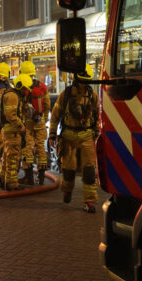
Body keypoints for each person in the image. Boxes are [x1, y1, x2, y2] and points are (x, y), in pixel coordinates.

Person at [48, 64, 99, 211]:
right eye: (81, 81)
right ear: (76, 79)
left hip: (87, 136)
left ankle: (90, 202)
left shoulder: (92, 95)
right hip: (69, 137)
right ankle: (67, 191)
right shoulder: (66, 95)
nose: (84, 84)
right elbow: (55, 116)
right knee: (68, 169)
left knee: (89, 170)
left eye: (86, 81)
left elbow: (97, 115)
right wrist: (52, 134)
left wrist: (97, 133)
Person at [20, 61, 51, 186]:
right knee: (40, 148)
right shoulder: (42, 86)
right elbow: (47, 104)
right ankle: (42, 178)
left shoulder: (23, 88)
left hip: (27, 123)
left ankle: (29, 178)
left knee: (27, 148)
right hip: (40, 121)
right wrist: (43, 117)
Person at [0, 73, 32, 191]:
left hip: (9, 130)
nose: (26, 92)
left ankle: (3, 179)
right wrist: (21, 126)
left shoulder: (12, 94)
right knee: (13, 157)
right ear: (21, 86)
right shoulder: (13, 96)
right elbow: (11, 115)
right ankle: (12, 183)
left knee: (7, 156)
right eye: (25, 89)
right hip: (12, 131)